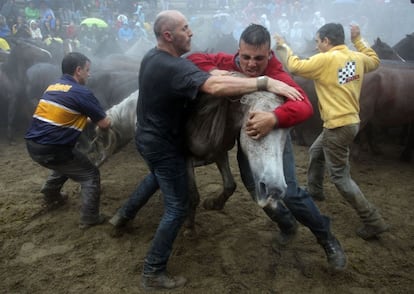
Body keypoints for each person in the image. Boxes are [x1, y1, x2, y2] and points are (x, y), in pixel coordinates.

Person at [108, 10, 306, 291]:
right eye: (185, 28)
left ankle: (122, 216)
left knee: (157, 177)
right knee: (177, 206)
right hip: (164, 143)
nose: (191, 32)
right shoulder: (172, 66)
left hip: (150, 138)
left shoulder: (154, 57)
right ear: (168, 36)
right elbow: (213, 85)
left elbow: (206, 65)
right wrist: (265, 82)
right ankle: (153, 270)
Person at [187, 23, 346, 271]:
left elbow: (304, 106)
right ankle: (286, 225)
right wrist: (219, 73)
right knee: (254, 188)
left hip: (271, 139)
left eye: (259, 59)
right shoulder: (232, 61)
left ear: (269, 54)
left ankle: (327, 239)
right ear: (238, 50)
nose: (251, 64)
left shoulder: (278, 73)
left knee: (289, 192)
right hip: (244, 138)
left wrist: (274, 118)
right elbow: (194, 58)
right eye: (246, 57)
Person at [276, 23, 389, 240]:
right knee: (316, 152)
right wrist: (358, 39)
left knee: (341, 177)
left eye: (318, 41)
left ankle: (372, 220)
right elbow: (375, 60)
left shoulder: (325, 59)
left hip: (337, 126)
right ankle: (315, 189)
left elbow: (294, 66)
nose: (317, 46)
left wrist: (283, 45)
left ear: (327, 41)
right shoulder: (356, 57)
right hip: (349, 123)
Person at [25, 52, 111, 229]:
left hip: (33, 146)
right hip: (53, 149)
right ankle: (89, 217)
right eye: (88, 70)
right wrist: (109, 118)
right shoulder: (82, 92)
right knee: (90, 174)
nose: (89, 74)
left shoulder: (53, 87)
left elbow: (66, 116)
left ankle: (50, 192)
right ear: (78, 70)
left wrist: (87, 119)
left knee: (70, 161)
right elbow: (104, 124)